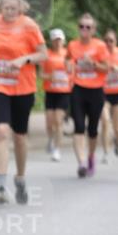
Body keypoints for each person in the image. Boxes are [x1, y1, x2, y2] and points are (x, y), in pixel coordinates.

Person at [0, 0, 47, 204]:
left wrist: (24, 59)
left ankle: (20, 176)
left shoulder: (29, 25)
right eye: (6, 8)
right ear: (0, 7)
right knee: (0, 131)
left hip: (23, 87)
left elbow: (43, 54)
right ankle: (0, 186)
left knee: (19, 137)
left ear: (21, 8)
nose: (10, 12)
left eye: (14, 9)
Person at [67, 13, 109, 177]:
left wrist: (93, 63)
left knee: (92, 129)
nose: (84, 29)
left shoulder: (99, 46)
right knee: (78, 126)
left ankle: (91, 156)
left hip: (96, 91)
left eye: (88, 27)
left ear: (93, 30)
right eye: (81, 26)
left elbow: (106, 68)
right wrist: (69, 66)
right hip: (78, 88)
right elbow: (69, 60)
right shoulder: (72, 45)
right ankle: (82, 162)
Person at [40, 28, 71, 162]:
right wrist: (49, 76)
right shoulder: (46, 55)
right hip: (50, 91)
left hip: (64, 92)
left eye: (59, 40)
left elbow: (73, 72)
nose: (57, 42)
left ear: (63, 41)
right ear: (51, 41)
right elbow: (41, 74)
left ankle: (57, 150)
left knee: (58, 121)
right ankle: (51, 139)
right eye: (55, 40)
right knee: (49, 122)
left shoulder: (68, 55)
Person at [100, 29, 118, 159]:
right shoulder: (100, 54)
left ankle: (117, 141)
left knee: (117, 128)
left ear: (116, 41)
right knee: (105, 121)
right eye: (106, 41)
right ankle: (105, 151)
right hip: (103, 93)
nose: (108, 43)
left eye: (111, 40)